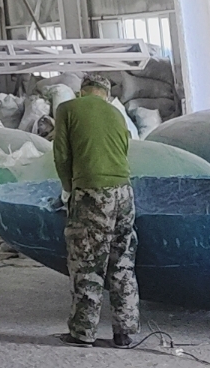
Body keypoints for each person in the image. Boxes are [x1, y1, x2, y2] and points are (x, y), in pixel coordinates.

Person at [49, 75, 139, 348]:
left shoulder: (67, 108)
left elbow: (61, 154)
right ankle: (125, 333)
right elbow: (124, 149)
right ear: (106, 94)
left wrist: (68, 190)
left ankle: (82, 333)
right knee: (122, 261)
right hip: (124, 193)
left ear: (82, 92)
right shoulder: (116, 113)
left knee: (87, 262)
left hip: (92, 192)